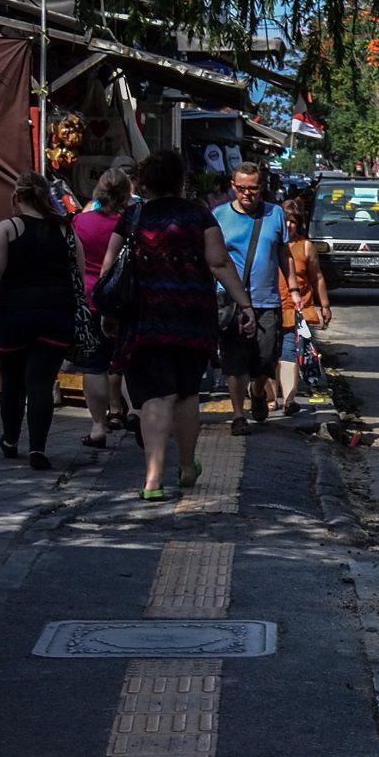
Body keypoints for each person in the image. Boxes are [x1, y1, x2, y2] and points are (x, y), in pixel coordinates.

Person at [100, 150, 256, 500]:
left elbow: (111, 268)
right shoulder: (198, 215)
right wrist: (244, 304)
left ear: (143, 182)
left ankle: (153, 481)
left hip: (144, 320)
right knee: (187, 394)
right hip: (191, 318)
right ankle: (186, 468)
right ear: (179, 180)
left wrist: (108, 313)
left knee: (155, 396)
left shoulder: (133, 216)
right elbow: (218, 262)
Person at [0, 172, 86, 469]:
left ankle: (10, 440)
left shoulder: (8, 228)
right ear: (46, 196)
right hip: (55, 316)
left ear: (17, 197)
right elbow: (79, 277)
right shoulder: (66, 231)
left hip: (10, 317)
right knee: (41, 384)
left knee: (12, 381)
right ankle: (38, 449)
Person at [214, 161, 303, 435]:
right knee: (234, 360)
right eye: (241, 188)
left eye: (252, 189)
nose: (247, 194)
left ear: (261, 188)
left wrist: (294, 288)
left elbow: (284, 254)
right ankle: (239, 415)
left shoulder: (275, 214)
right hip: (231, 301)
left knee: (265, 358)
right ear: (233, 187)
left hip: (267, 301)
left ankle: (258, 390)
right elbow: (213, 258)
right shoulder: (218, 216)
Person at [72, 168, 135, 446]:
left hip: (91, 299)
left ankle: (98, 426)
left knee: (94, 366)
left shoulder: (81, 223)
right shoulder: (132, 222)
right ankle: (135, 412)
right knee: (130, 360)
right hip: (128, 299)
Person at [273, 200, 332, 416]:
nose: (289, 225)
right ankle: (270, 398)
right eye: (285, 221)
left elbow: (317, 277)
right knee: (268, 354)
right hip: (269, 306)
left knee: (288, 351)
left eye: (293, 221)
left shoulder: (305, 246)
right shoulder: (270, 243)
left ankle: (289, 400)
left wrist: (324, 305)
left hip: (297, 309)